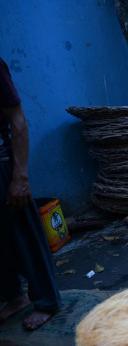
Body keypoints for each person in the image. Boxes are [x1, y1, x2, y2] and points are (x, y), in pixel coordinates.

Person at [0, 57, 61, 330]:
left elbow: (18, 120)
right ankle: (13, 296)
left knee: (24, 235)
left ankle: (46, 301)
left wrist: (20, 175)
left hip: (3, 164)